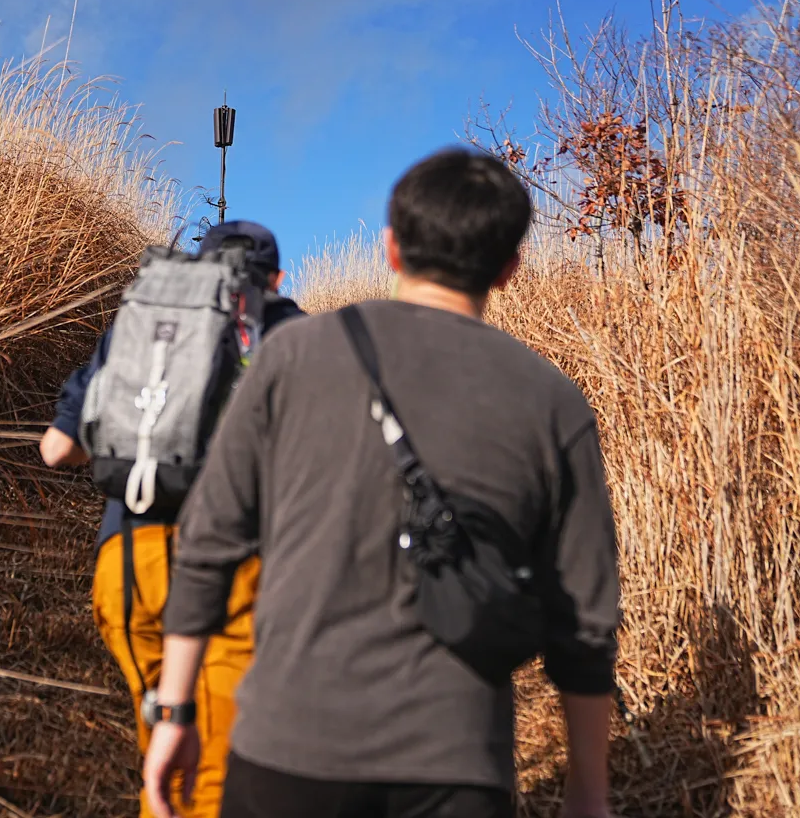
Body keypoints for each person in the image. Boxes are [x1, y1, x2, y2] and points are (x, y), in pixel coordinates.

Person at [143, 149, 622, 818]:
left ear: (392, 248)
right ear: (512, 267)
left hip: (286, 751)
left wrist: (175, 710)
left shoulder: (293, 354)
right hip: (458, 768)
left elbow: (209, 541)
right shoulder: (555, 402)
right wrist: (588, 792)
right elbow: (585, 619)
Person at [40, 220, 305, 818]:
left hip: (129, 566)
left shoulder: (144, 320)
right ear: (276, 278)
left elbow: (56, 450)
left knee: (166, 744)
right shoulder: (291, 331)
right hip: (233, 573)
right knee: (211, 772)